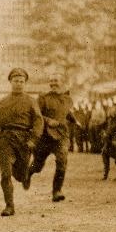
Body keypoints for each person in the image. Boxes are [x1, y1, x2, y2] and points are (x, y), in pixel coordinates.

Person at [0, 67, 44, 216]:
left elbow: (38, 122)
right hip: (6, 140)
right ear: (10, 82)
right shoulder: (2, 102)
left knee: (20, 175)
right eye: (15, 81)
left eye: (21, 81)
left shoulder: (31, 101)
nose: (18, 84)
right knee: (5, 173)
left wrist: (33, 139)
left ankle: (25, 175)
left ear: (25, 83)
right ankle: (9, 206)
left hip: (24, 141)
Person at [26, 72, 81, 201]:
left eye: (56, 80)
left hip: (61, 134)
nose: (53, 83)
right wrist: (48, 120)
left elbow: (66, 112)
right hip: (45, 136)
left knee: (62, 161)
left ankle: (57, 191)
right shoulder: (43, 98)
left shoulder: (67, 99)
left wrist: (75, 121)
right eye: (51, 81)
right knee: (38, 166)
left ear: (62, 82)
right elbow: (37, 115)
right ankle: (28, 173)